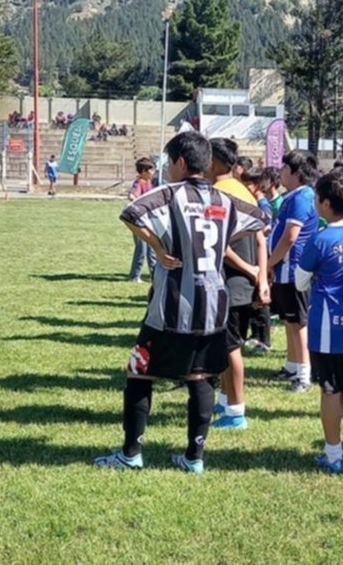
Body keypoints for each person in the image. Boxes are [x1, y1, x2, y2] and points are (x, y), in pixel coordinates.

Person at [93, 131, 267, 473]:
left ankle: (131, 454)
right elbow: (262, 219)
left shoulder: (170, 195)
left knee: (139, 372)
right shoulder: (224, 200)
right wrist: (219, 241)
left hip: (171, 306)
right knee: (200, 377)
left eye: (169, 162)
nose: (168, 168)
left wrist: (158, 248)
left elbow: (130, 213)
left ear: (182, 163)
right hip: (214, 305)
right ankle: (194, 457)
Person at [295, 170, 343, 473]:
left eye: (316, 198)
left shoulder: (321, 238)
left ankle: (333, 455)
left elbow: (301, 282)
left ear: (325, 203)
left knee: (329, 390)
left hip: (328, 324)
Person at [209, 138, 270, 431]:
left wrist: (249, 270)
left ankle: (236, 412)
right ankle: (224, 399)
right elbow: (260, 236)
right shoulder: (244, 190)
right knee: (228, 344)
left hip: (232, 281)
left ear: (215, 163)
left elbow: (217, 242)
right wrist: (261, 274)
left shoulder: (216, 193)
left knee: (231, 347)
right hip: (245, 281)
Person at [268, 149, 319, 392]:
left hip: (294, 269)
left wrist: (267, 264)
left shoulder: (301, 197)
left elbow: (290, 237)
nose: (280, 172)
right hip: (284, 269)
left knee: (299, 322)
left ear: (297, 173)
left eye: (284, 168)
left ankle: (305, 374)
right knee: (289, 319)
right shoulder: (293, 196)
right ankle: (292, 364)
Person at [239, 167, 274, 354]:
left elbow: (266, 227)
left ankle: (264, 339)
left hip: (261, 253)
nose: (245, 187)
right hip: (253, 251)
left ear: (258, 185)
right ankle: (256, 335)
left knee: (261, 300)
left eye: (248, 184)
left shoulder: (262, 205)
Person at [126, 157, 157, 282]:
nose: (152, 172)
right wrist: (137, 202)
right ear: (144, 171)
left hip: (148, 220)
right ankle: (134, 276)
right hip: (139, 220)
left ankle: (155, 275)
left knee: (152, 249)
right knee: (141, 248)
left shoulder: (150, 182)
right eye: (150, 170)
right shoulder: (139, 182)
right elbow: (132, 195)